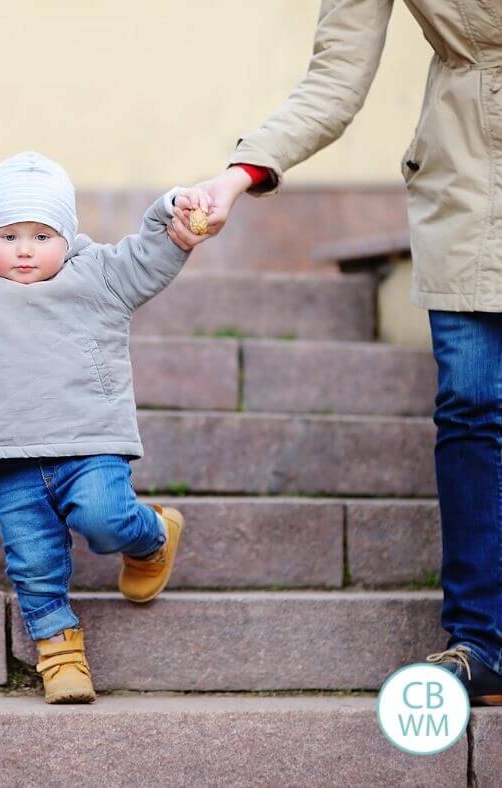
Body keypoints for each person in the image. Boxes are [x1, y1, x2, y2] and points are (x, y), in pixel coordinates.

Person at [170, 0, 502, 704]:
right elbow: (335, 79)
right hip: (473, 179)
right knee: (472, 403)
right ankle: (483, 641)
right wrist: (239, 173)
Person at [0, 151, 210, 703]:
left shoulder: (100, 273)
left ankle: (150, 536)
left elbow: (154, 253)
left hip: (89, 442)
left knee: (104, 518)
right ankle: (59, 650)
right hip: (11, 457)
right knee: (32, 559)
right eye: (7, 236)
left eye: (41, 235)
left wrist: (175, 211)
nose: (24, 249)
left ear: (68, 237)